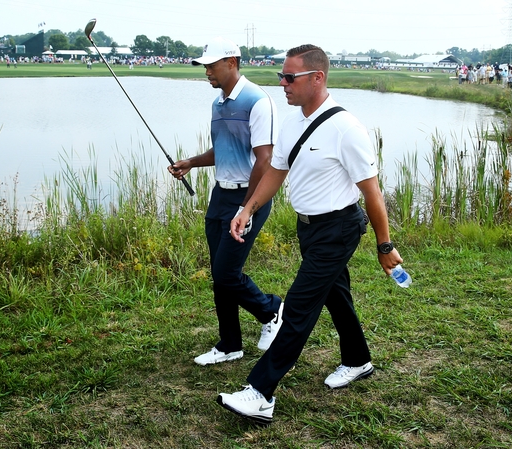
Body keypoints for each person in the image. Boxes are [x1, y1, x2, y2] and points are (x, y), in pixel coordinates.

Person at [218, 44, 404, 424]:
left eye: (290, 77)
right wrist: (246, 209)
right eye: (281, 76)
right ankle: (358, 360)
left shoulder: (345, 128)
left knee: (300, 308)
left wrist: (385, 246)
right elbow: (275, 173)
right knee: (336, 296)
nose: (283, 84)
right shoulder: (293, 123)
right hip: (309, 228)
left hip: (339, 228)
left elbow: (372, 192)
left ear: (317, 78)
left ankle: (260, 392)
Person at [167, 37, 284, 366]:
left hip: (250, 195)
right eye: (204, 65)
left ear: (232, 62)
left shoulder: (257, 101)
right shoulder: (218, 104)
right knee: (220, 273)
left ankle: (272, 309)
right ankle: (230, 343)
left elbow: (265, 159)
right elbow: (223, 150)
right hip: (220, 194)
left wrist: (247, 208)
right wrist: (191, 161)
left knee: (226, 273)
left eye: (212, 65)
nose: (206, 71)